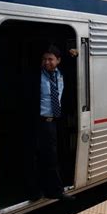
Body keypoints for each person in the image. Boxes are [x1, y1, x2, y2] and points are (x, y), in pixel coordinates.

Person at [28, 45, 76, 201]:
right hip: (39, 121)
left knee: (53, 156)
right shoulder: (36, 75)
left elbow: (77, 66)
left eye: (50, 59)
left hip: (56, 121)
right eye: (44, 59)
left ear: (58, 61)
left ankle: (53, 190)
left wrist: (73, 52)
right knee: (37, 157)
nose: (46, 62)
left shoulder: (62, 74)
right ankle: (38, 192)